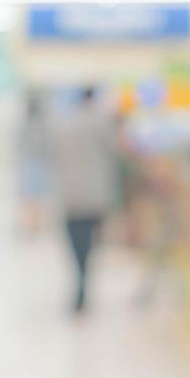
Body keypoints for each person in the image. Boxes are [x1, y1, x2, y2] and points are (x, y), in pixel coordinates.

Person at [47, 86, 120, 314]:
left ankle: (79, 280)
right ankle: (84, 281)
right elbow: (115, 152)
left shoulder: (63, 125)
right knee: (90, 242)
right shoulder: (101, 123)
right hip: (94, 194)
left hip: (70, 195)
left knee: (74, 242)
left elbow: (53, 155)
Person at [17, 94, 50, 235]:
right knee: (34, 197)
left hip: (35, 162)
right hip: (34, 162)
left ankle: (34, 224)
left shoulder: (36, 125)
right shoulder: (36, 125)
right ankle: (32, 224)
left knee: (34, 197)